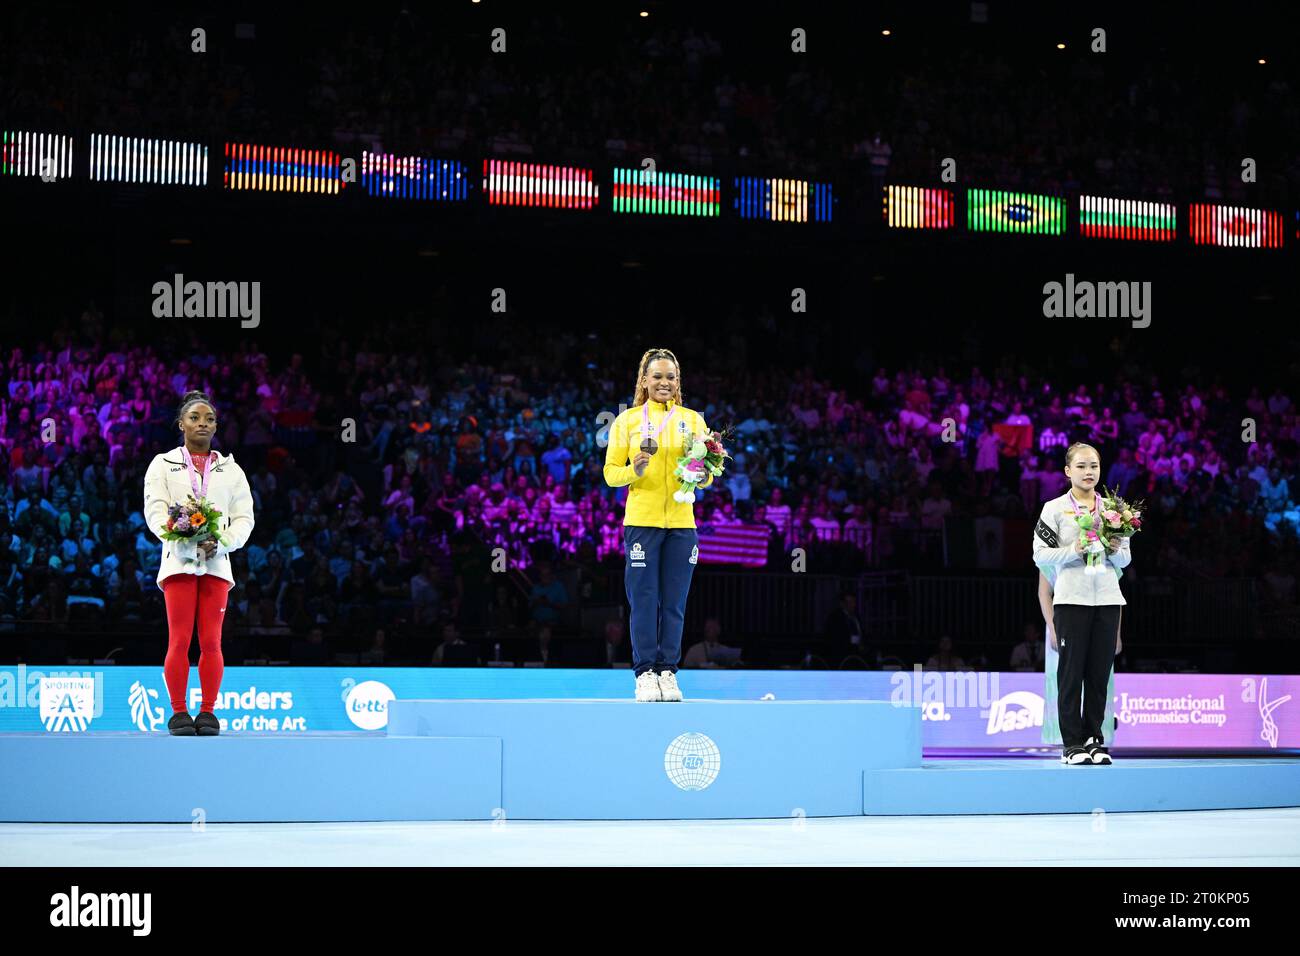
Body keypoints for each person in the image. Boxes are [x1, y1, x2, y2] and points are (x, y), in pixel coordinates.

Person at [603, 348, 716, 701]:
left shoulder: (693, 421)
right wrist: (633, 471)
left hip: (682, 523)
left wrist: (700, 475)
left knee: (674, 603)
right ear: (644, 380)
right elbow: (610, 474)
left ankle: (668, 671)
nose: (664, 383)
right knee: (644, 600)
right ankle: (644, 673)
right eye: (657, 377)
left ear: (677, 382)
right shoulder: (627, 421)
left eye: (670, 377)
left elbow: (707, 475)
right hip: (642, 522)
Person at [144, 391, 255, 736]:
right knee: (179, 639)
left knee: (211, 641)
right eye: (194, 417)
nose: (202, 423)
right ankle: (179, 713)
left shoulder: (231, 470)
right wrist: (182, 536)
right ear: (181, 424)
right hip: (178, 561)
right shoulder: (162, 464)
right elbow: (155, 512)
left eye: (209, 418)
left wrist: (221, 541)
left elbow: (244, 519)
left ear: (216, 425)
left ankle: (207, 713)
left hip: (216, 563)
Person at [1033, 441, 1131, 765]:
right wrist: (1073, 549)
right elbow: (1040, 554)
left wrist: (1115, 547)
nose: (1089, 472)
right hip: (1071, 599)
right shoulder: (1054, 508)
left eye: (1094, 467)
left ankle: (1094, 739)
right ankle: (1071, 744)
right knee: (1072, 674)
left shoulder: (1114, 510)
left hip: (1106, 598)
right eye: (1082, 466)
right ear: (1067, 471)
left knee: (1099, 674)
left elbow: (1125, 560)